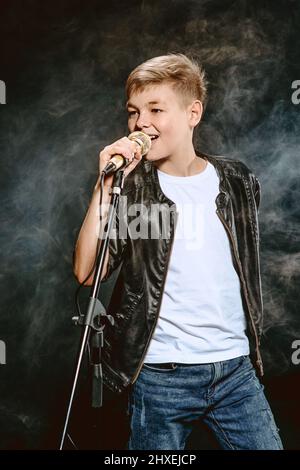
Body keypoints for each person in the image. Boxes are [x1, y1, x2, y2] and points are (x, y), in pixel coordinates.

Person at [73, 53, 283, 450]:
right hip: (159, 377)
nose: (142, 123)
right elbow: (86, 272)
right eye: (134, 112)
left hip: (235, 371)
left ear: (193, 113)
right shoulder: (132, 189)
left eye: (156, 109)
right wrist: (103, 187)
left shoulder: (238, 181)